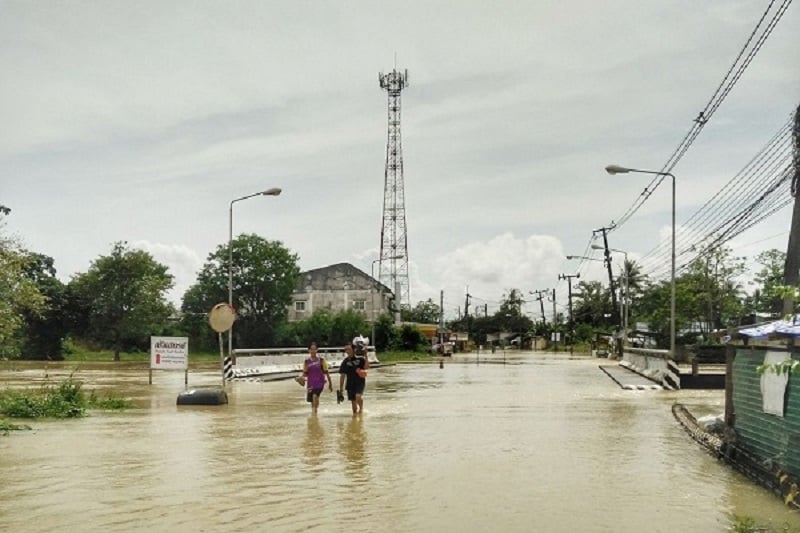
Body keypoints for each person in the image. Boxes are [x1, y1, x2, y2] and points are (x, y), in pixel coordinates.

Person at [338, 342, 369, 415]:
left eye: (349, 349)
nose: (347, 351)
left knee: (358, 396)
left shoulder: (360, 359)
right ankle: (355, 419)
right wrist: (341, 389)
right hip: (350, 384)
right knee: (354, 408)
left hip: (360, 383)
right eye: (346, 350)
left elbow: (366, 367)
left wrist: (366, 356)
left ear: (354, 349)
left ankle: (361, 409)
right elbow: (342, 375)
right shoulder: (345, 362)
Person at [302, 342, 332, 415]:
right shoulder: (306, 361)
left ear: (317, 350)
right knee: (312, 400)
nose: (313, 351)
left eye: (314, 349)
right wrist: (301, 378)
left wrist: (330, 384)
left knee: (315, 396)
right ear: (308, 350)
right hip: (310, 384)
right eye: (311, 349)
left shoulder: (321, 360)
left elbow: (326, 372)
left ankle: (314, 413)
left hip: (319, 383)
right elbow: (305, 373)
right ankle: (315, 411)